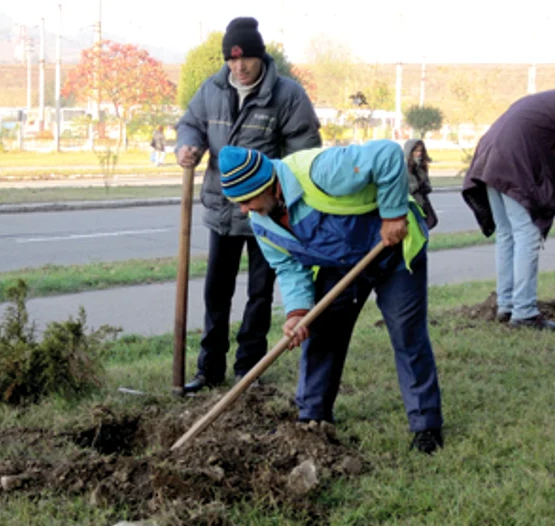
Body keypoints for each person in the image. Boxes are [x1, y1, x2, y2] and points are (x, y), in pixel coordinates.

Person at [217, 140, 444, 454]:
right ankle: (313, 418)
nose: (244, 210)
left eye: (246, 200)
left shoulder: (322, 171)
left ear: (269, 185)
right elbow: (288, 265)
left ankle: (426, 425)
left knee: (407, 335)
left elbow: (389, 155)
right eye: (237, 203)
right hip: (339, 265)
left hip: (393, 252)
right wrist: (297, 312)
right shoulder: (262, 219)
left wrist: (393, 215)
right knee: (321, 332)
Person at [175, 16, 321, 393]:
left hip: (267, 213)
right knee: (215, 292)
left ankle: (248, 369)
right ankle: (209, 370)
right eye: (232, 60)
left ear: (260, 56)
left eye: (246, 59)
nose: (238, 67)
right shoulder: (212, 89)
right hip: (223, 211)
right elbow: (190, 122)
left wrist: (282, 201)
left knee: (260, 292)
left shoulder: (287, 95)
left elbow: (303, 151)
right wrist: (187, 145)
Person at [462, 87, 555, 331]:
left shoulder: (554, 101)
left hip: (492, 156)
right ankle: (524, 313)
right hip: (515, 159)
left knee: (507, 234)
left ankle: (507, 304)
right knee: (526, 234)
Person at [404, 138, 438, 229]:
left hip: (422, 202)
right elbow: (407, 189)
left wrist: (426, 187)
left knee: (429, 223)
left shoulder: (421, 166)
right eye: (416, 151)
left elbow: (427, 184)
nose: (419, 153)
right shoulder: (404, 167)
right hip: (411, 205)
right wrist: (419, 185)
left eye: (421, 151)